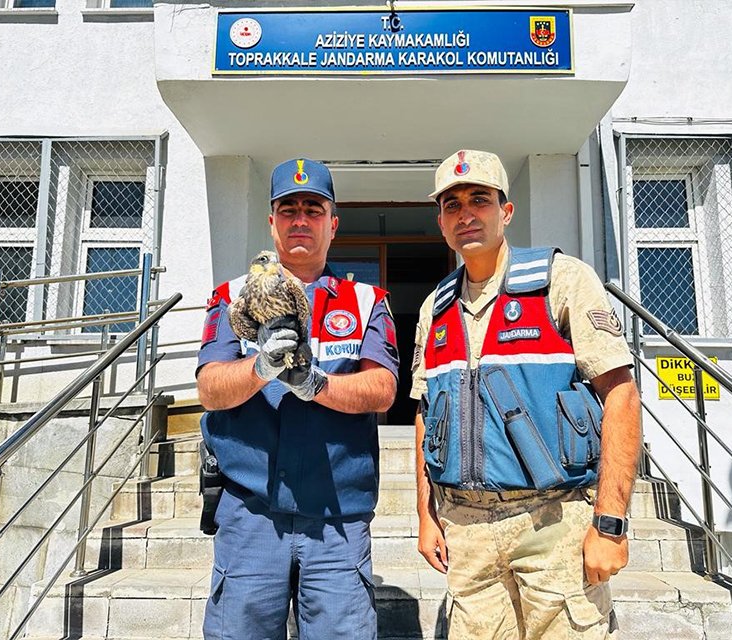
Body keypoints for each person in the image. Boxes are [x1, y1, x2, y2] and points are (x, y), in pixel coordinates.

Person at [410, 149, 642, 639]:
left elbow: (620, 394)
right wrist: (425, 515)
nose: (466, 213)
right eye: (451, 205)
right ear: (441, 222)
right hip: (466, 529)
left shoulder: (562, 280)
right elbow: (425, 413)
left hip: (553, 524)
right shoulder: (435, 308)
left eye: (480, 199)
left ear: (506, 211)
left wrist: (611, 523)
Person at [196, 157, 399, 640]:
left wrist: (317, 385)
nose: (300, 220)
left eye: (313, 209)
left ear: (333, 223)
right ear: (272, 222)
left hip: (336, 520)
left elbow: (382, 388)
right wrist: (261, 368)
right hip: (250, 516)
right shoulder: (232, 296)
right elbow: (210, 389)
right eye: (288, 210)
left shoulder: (367, 300)